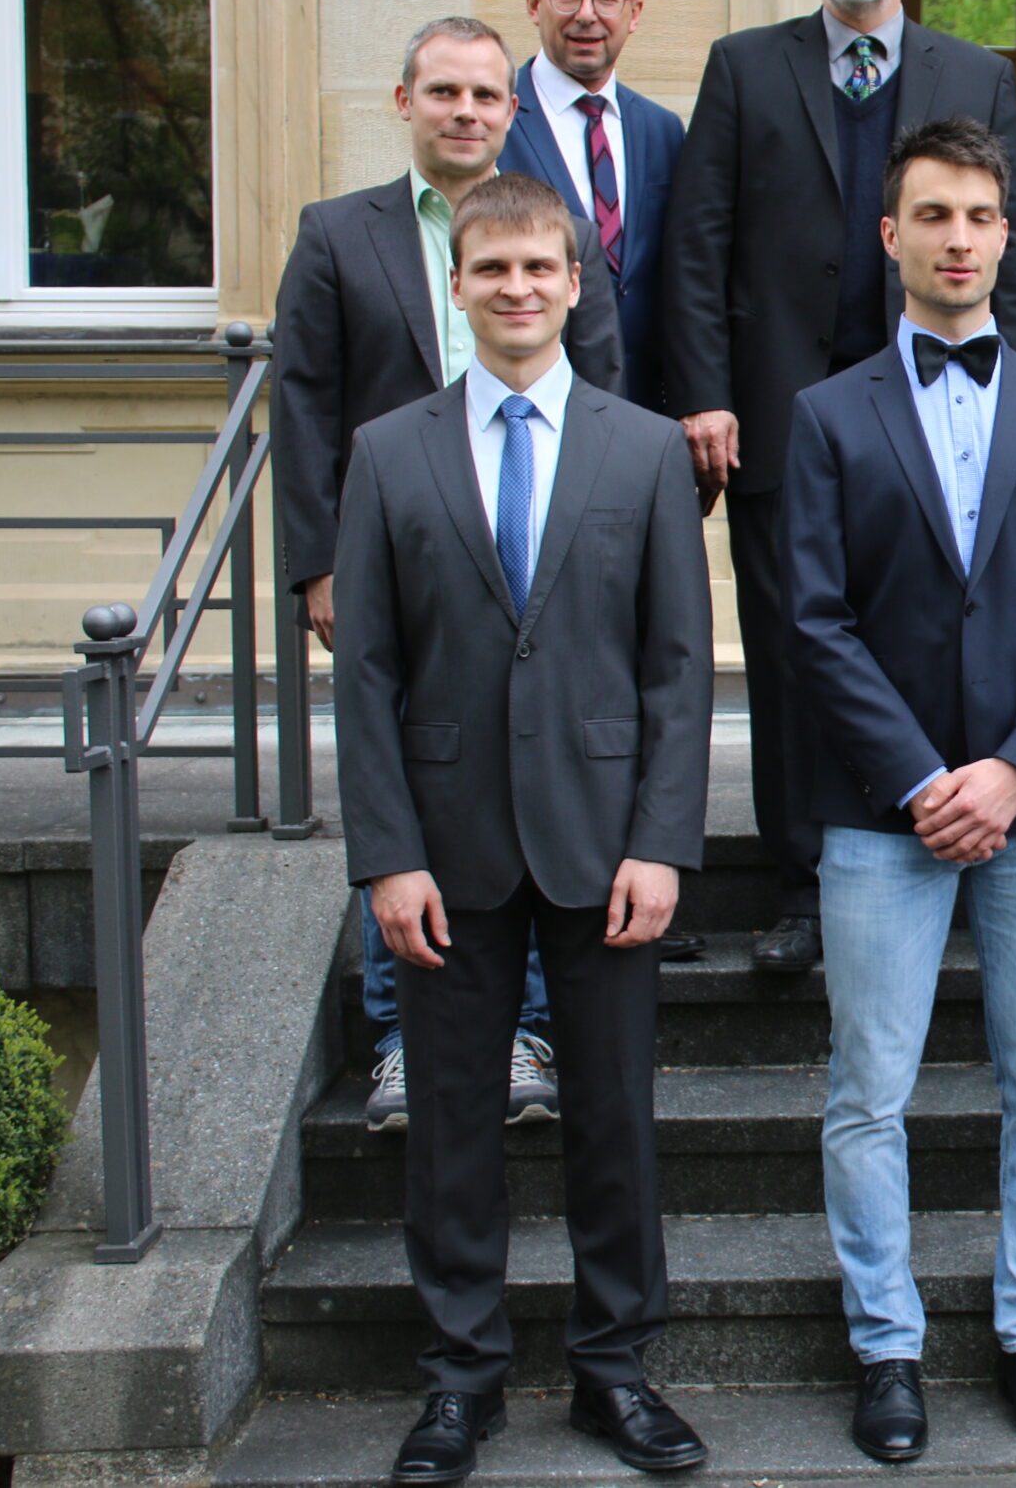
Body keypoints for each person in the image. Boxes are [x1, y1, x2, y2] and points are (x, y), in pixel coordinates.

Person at [332, 173, 712, 1484]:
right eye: (490, 269)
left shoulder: (646, 446)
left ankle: (616, 1369)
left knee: (613, 1118)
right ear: (459, 284)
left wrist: (664, 840)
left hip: (606, 846)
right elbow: (366, 671)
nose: (515, 288)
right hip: (444, 849)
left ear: (574, 280)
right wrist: (384, 853)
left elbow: (678, 663)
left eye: (539, 269)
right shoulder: (387, 450)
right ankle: (460, 1376)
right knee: (450, 1124)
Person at [782, 120, 1016, 1464]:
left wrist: (1013, 767)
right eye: (933, 214)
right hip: (885, 808)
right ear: (892, 235)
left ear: (1004, 235)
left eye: (980, 215)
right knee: (870, 1086)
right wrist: (928, 776)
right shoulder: (826, 413)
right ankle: (887, 1342)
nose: (959, 236)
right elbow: (812, 619)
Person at [662, 0, 1016, 976]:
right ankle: (804, 887)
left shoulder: (974, 72)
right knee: (795, 653)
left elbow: (1001, 250)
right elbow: (700, 242)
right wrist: (706, 390)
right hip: (784, 419)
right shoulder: (743, 68)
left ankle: (959, 860)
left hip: (937, 412)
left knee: (944, 636)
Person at [271, 15, 623, 1135]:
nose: (466, 110)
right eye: (444, 93)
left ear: (512, 110)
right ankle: (400, 1041)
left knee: (516, 786)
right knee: (406, 778)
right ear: (404, 101)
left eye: (484, 95)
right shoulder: (338, 234)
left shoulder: (552, 232)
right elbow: (305, 402)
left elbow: (604, 375)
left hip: (534, 559)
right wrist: (318, 565)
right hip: (403, 559)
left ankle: (519, 1031)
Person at [499, 0, 690, 412]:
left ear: (635, 12)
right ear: (532, 4)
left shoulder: (663, 129)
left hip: (645, 409)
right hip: (529, 402)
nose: (587, 15)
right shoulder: (495, 121)